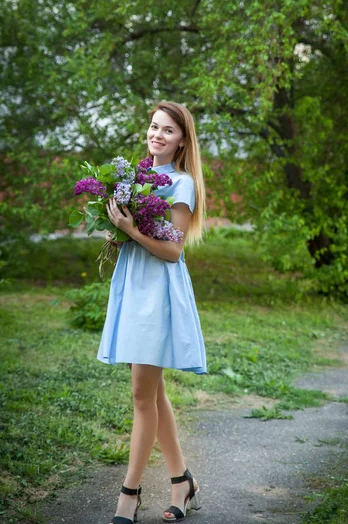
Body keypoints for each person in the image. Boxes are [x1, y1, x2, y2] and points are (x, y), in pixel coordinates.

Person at [96, 101, 207, 524]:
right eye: (153, 126)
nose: (156, 135)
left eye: (167, 130)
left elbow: (173, 250)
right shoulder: (137, 178)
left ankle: (130, 494)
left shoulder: (180, 184)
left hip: (157, 292)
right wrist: (115, 227)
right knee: (153, 392)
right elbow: (134, 237)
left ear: (181, 141)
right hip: (133, 285)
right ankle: (183, 482)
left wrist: (130, 229)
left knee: (143, 395)